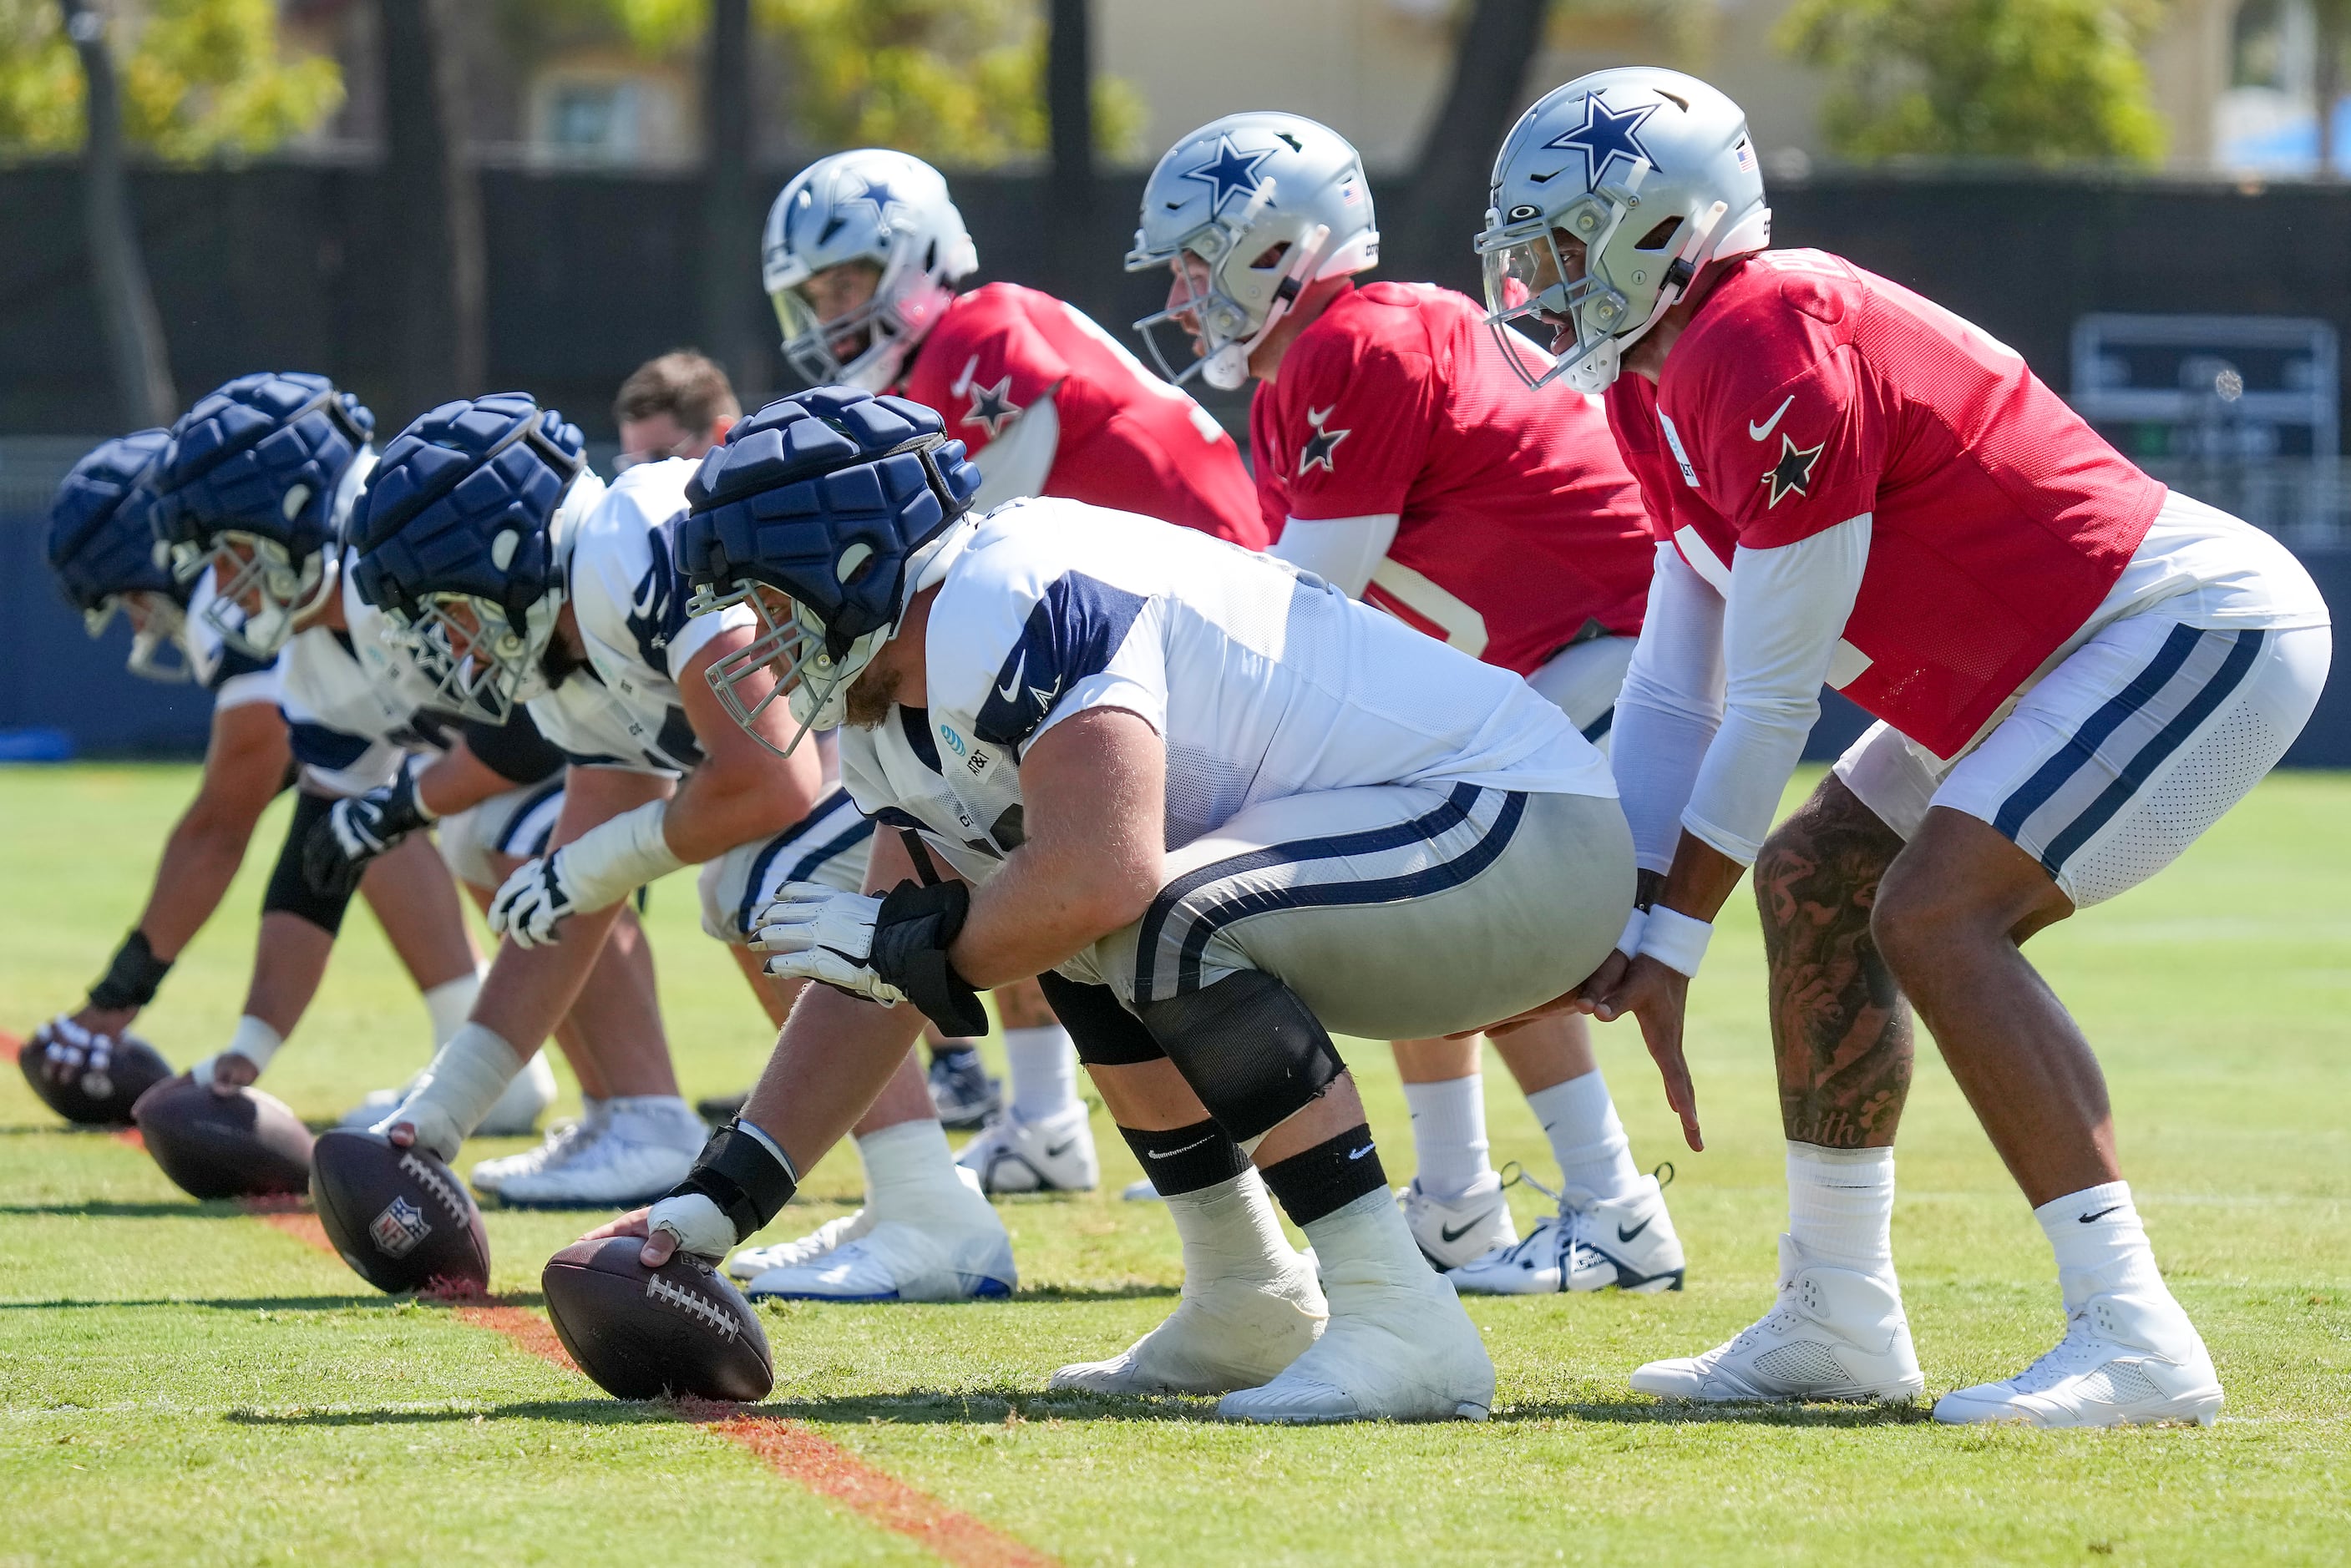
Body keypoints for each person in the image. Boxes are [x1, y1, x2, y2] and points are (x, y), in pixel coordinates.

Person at [1481, 67, 2331, 1426]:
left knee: (1937, 914)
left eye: (1567, 243)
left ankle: (2136, 1331)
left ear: (1670, 228)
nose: (1539, 278)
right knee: (1820, 874)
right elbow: (1670, 678)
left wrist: (1670, 948)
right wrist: (1628, 899)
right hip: (2042, 657)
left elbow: (1769, 705)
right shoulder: (1655, 386)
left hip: (2177, 624)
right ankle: (1839, 1315)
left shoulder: (1768, 334)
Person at [591, 386, 1639, 1423]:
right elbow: (889, 976)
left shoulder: (1007, 592)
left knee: (1117, 906)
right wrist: (721, 1196)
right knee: (1055, 921)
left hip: (1519, 827)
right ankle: (1244, 1294)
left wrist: (900, 946)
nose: (760, 640)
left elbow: (1098, 873)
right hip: (1430, 850)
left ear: (850, 561)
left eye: (771, 601)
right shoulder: (889, 704)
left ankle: (1397, 1311)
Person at [1126, 111, 1682, 1289]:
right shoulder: (1349, 345)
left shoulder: (1352, 344)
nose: (1181, 295)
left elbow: (1301, 603)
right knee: (1403, 861)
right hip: (1569, 649)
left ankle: (1614, 1206)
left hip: (1619, 646)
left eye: (1196, 261)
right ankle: (1455, 1199)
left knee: (1468, 889)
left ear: (1279, 249)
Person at [352, 390, 1013, 1297]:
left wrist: (598, 862)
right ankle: (919, 1200)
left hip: (960, 728)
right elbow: (575, 897)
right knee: (747, 887)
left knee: (759, 888)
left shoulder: (631, 546)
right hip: (893, 748)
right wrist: (443, 1109)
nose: (441, 642)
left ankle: (929, 1205)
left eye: (440, 609)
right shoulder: (564, 633)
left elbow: (770, 777)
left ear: (499, 554)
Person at [756, 147, 1270, 1195]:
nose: (830, 313)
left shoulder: (980, 337)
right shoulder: (947, 352)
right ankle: (1042, 1121)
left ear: (919, 259)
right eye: (815, 294)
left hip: (1196, 638)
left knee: (998, 829)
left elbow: (954, 564)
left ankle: (1192, 1135)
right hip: (1131, 638)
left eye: (847, 283)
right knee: (982, 825)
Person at [147, 372, 560, 1132]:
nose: (219, 588)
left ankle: (634, 1108)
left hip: (659, 724)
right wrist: (252, 1044)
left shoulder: (433, 544)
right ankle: (530, 1080)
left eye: (232, 553)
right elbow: (320, 863)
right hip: (597, 756)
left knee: (502, 830)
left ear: (295, 518)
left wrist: (405, 805)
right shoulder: (316, 673)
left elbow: (540, 733)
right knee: (460, 828)